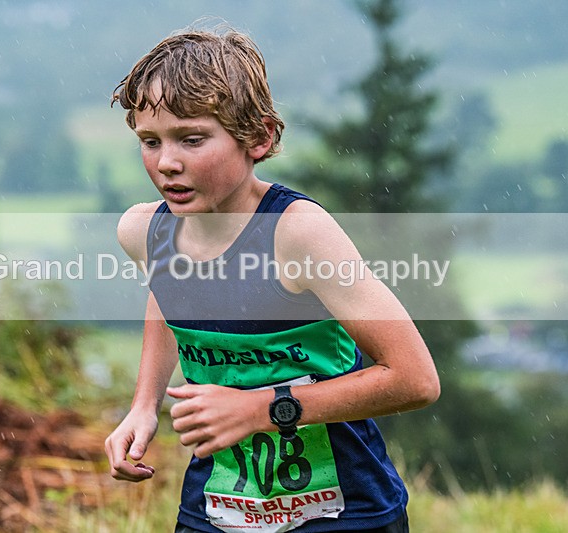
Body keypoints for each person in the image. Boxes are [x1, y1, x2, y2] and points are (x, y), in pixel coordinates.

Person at [104, 27, 440, 533]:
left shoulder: (298, 233)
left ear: (259, 138)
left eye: (192, 139)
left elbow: (415, 379)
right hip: (214, 511)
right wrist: (144, 406)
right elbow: (169, 300)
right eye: (150, 142)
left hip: (346, 514)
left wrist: (263, 409)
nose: (166, 162)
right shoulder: (142, 231)